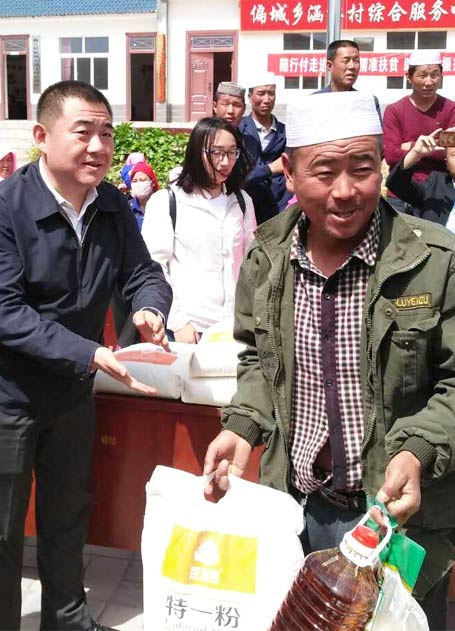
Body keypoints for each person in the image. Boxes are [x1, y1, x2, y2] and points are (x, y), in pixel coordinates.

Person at [204, 91, 455, 631]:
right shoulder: (268, 256)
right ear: (291, 172)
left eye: (362, 169)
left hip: (394, 521)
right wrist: (242, 425)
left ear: (382, 166)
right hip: (296, 508)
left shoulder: (434, 261)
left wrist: (416, 452)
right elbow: (257, 359)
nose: (345, 191)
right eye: (324, 172)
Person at [0, 80, 172, 631]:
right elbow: (6, 312)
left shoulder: (112, 206)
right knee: (4, 530)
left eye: (107, 133)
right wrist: (92, 352)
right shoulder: (7, 207)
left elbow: (142, 273)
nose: (99, 146)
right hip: (10, 398)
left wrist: (149, 309)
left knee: (68, 515)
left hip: (72, 394)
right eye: (83, 132)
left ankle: (67, 620)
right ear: (42, 136)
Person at [142, 116, 256, 344]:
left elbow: (251, 262)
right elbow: (155, 266)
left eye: (232, 152)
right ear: (196, 152)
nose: (225, 162)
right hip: (188, 329)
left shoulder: (242, 201)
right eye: (217, 153)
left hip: (232, 327)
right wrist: (177, 321)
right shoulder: (167, 201)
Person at [383, 50, 455, 213]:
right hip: (400, 191)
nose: (429, 82)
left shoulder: (450, 109)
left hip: (439, 193)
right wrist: (435, 145)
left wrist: (409, 147)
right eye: (422, 76)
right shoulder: (394, 110)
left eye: (434, 75)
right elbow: (391, 156)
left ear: (441, 76)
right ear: (408, 77)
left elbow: (451, 152)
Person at [238, 74, 292, 224]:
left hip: (280, 209)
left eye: (271, 93)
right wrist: (271, 168)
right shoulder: (238, 131)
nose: (267, 99)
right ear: (250, 97)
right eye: (261, 94)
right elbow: (239, 175)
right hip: (247, 209)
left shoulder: (286, 132)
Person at [386, 127, 455, 226]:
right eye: (454, 155)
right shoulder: (436, 185)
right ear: (446, 163)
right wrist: (415, 154)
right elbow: (396, 184)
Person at [129, 160, 159, 230]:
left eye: (142, 180)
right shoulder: (127, 208)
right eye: (134, 181)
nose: (138, 184)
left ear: (152, 183)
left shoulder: (162, 205)